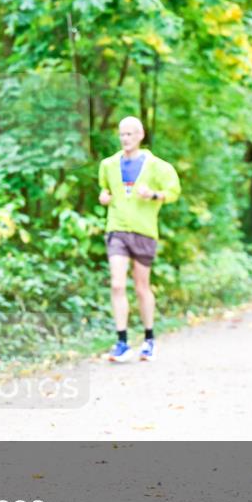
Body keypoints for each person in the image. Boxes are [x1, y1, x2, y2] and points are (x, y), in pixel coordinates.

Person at [98, 117, 181, 362]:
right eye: (122, 134)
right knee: (117, 284)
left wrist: (153, 194)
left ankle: (149, 339)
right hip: (117, 229)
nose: (125, 139)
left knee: (141, 287)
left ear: (140, 135)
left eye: (129, 134)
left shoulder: (158, 167)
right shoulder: (108, 165)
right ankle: (122, 342)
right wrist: (104, 197)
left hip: (144, 231)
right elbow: (105, 189)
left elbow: (173, 192)